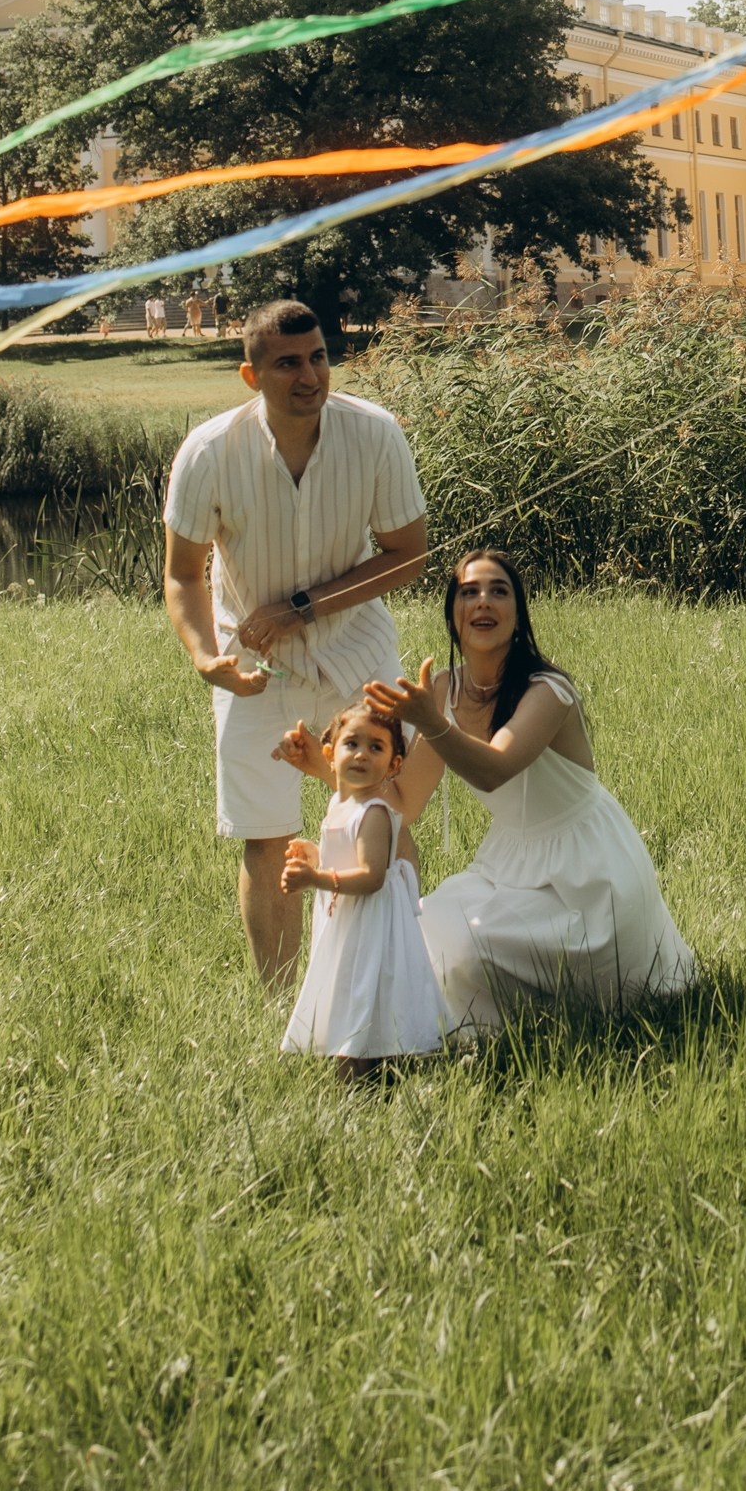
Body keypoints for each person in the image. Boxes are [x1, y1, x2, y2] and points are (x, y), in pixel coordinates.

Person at [161, 298, 429, 981]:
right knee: (266, 834)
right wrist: (205, 657)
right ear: (251, 376)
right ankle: (280, 1002)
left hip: (356, 647)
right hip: (254, 664)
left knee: (386, 812)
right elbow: (183, 574)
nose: (309, 377)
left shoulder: (374, 434)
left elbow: (409, 555)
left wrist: (301, 608)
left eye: (318, 358)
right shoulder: (208, 452)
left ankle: (398, 981)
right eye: (287, 364)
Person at [365, 550, 697, 1032]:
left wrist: (432, 724)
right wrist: (328, 768)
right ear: (452, 616)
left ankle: (537, 1023)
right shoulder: (443, 690)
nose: (483, 601)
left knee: (468, 949)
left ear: (518, 617)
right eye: (469, 592)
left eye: (499, 591)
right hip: (510, 861)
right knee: (426, 926)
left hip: (589, 876)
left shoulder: (548, 689)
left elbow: (495, 769)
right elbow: (402, 802)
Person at [279, 699, 446, 1077]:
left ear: (394, 765)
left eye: (376, 747)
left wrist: (315, 879)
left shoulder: (373, 813)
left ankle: (368, 1065)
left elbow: (371, 877)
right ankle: (359, 1060)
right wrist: (317, 855)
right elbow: (347, 856)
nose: (361, 754)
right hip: (349, 918)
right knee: (348, 985)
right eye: (352, 743)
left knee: (368, 987)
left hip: (371, 921)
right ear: (329, 754)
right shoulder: (340, 803)